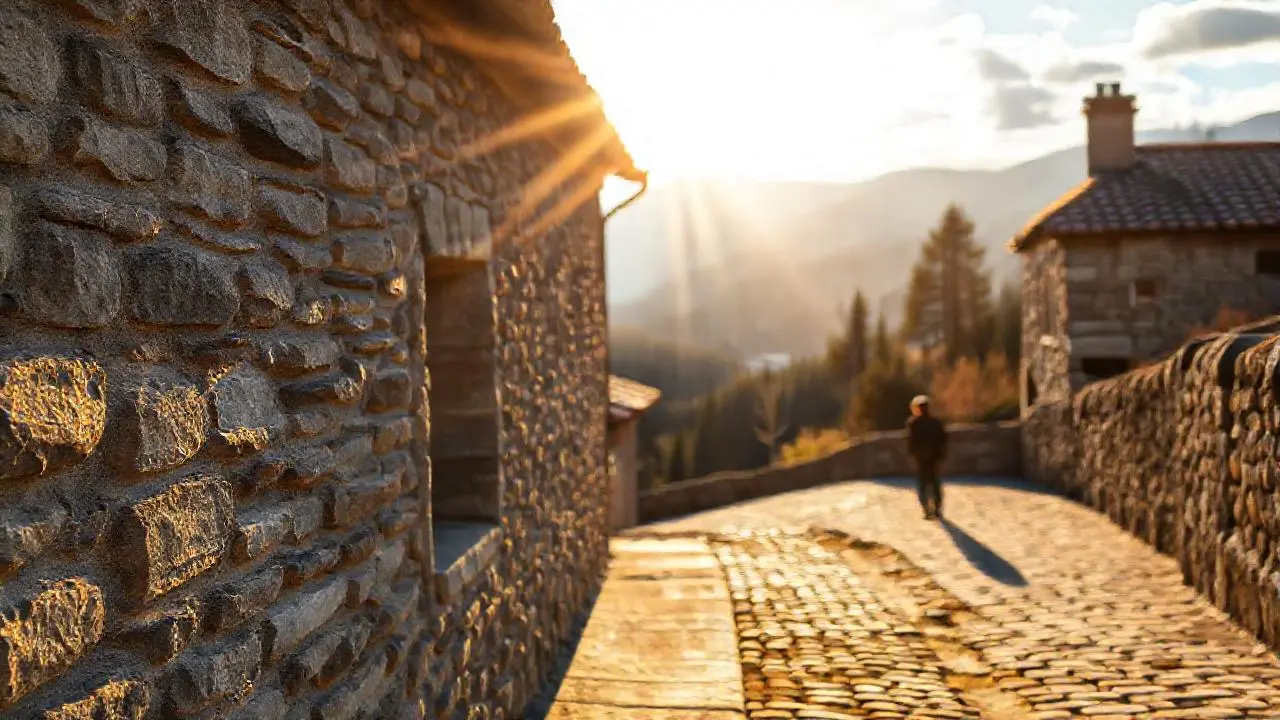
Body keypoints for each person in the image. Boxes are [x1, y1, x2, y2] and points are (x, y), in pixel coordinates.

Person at [906, 395, 947, 520]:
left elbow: (911, 442)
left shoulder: (914, 423)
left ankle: (927, 510)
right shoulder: (936, 423)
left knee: (923, 485)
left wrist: (914, 454)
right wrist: (940, 454)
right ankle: (937, 509)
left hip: (922, 458)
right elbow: (943, 440)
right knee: (935, 484)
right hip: (933, 458)